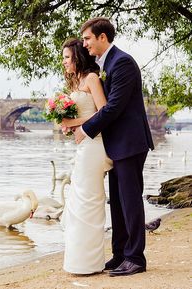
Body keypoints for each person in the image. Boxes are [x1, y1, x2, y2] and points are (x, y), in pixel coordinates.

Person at [74, 17, 154, 277]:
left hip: (130, 142)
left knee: (130, 201)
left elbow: (113, 107)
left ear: (102, 38)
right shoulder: (105, 63)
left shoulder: (122, 63)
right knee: (117, 202)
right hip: (115, 144)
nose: (84, 44)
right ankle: (120, 253)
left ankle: (135, 258)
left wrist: (85, 130)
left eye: (87, 38)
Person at [60, 38, 112, 275]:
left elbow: (104, 113)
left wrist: (75, 122)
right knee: (77, 201)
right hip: (82, 146)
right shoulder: (76, 84)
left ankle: (91, 263)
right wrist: (68, 125)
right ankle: (80, 261)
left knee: (89, 201)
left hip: (94, 146)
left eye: (67, 57)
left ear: (78, 57)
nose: (64, 62)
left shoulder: (92, 79)